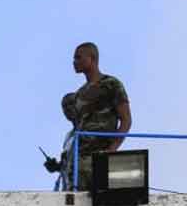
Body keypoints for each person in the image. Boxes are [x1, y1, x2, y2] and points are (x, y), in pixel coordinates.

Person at [47, 42, 131, 191]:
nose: (74, 62)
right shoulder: (77, 96)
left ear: (92, 58)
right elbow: (78, 130)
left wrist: (112, 150)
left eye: (78, 57)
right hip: (77, 164)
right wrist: (59, 166)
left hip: (99, 158)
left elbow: (126, 120)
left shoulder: (110, 84)